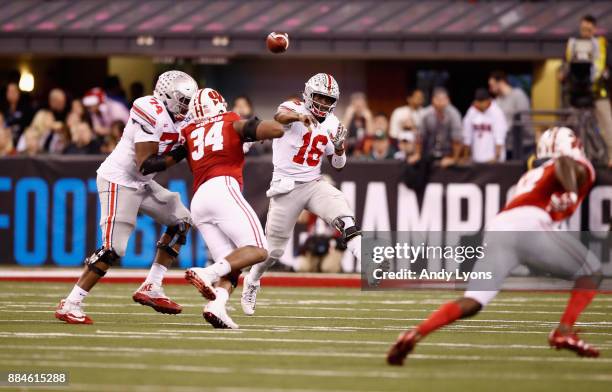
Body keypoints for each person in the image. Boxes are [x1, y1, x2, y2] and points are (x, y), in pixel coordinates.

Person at [387, 127, 602, 365]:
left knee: (473, 301)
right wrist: (571, 191)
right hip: (528, 224)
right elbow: (567, 164)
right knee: (591, 270)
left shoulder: (533, 175)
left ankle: (416, 333)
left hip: (500, 227)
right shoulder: (572, 165)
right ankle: (564, 330)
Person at [55, 71, 198, 324]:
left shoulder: (183, 117)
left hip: (142, 184)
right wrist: (182, 152)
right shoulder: (148, 108)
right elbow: (146, 164)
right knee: (113, 248)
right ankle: (71, 303)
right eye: (183, 100)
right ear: (167, 95)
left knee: (181, 221)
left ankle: (152, 286)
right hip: (119, 181)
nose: (187, 107)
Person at [241, 73, 362, 315]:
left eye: (328, 100)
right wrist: (299, 117)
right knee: (272, 251)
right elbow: (279, 117)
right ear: (308, 94)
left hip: (313, 183)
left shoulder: (333, 123)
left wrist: (339, 146)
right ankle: (252, 280)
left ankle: (368, 259)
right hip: (286, 186)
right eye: (319, 97)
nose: (323, 104)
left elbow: (338, 163)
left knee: (344, 213)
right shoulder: (292, 107)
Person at [180, 88, 285, 329]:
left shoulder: (189, 131)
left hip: (199, 198)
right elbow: (275, 130)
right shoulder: (230, 120)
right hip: (222, 187)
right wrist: (284, 121)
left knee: (232, 262)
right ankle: (207, 274)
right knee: (259, 250)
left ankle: (216, 306)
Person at [563, 14, 612, 167]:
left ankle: (611, 156)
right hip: (577, 93)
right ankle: (571, 156)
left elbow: (606, 67)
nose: (585, 32)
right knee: (572, 125)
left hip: (598, 93)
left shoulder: (602, 45)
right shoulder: (572, 44)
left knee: (607, 125)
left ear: (594, 29)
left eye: (589, 29)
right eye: (583, 29)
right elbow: (566, 67)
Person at [414, 87, 463, 167]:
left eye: (443, 99)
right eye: (438, 99)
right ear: (432, 100)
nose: (440, 102)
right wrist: (417, 154)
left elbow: (457, 139)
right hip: (428, 152)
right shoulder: (425, 114)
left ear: (448, 100)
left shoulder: (454, 114)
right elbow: (419, 137)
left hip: (448, 153)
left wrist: (454, 159)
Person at [488, 71, 532, 158]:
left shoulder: (518, 94)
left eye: (492, 85)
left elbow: (524, 118)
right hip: (507, 146)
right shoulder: (497, 101)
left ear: (500, 82)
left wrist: (504, 129)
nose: (491, 89)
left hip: (523, 144)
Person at [462, 88, 508, 163]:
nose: (478, 104)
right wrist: (466, 156)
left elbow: (500, 138)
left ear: (487, 101)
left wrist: (496, 157)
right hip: (476, 159)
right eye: (477, 102)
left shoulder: (497, 112)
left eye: (481, 102)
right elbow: (467, 136)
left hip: (494, 160)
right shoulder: (472, 111)